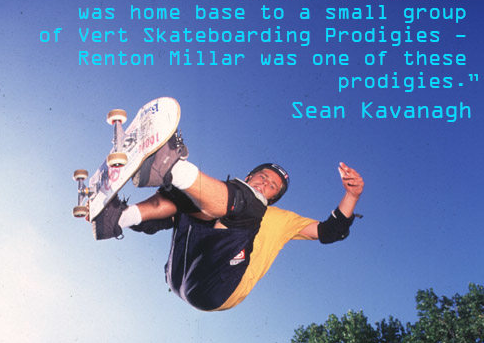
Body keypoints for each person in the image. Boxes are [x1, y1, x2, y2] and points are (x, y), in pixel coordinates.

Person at [92, 132, 364, 312]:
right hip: (179, 272)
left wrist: (352, 195)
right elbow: (166, 217)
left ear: (275, 197)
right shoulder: (217, 195)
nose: (265, 183)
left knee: (249, 207)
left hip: (219, 289)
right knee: (191, 199)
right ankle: (118, 218)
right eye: (262, 177)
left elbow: (331, 231)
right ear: (250, 175)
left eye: (272, 187)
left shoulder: (282, 219)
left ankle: (174, 168)